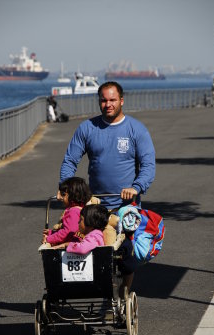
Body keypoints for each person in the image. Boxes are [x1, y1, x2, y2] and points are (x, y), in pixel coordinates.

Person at [59, 81, 156, 295]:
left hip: (125, 204)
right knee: (90, 247)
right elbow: (69, 161)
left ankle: (125, 289)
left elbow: (148, 165)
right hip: (96, 204)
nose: (108, 104)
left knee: (127, 254)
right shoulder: (87, 128)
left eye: (112, 100)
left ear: (121, 100)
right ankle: (98, 289)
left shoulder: (136, 129)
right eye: (103, 100)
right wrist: (66, 189)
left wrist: (136, 187)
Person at [42, 177, 91, 246]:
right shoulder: (84, 208)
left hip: (72, 246)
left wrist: (49, 239)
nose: (61, 197)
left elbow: (68, 232)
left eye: (63, 194)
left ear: (73, 195)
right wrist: (52, 233)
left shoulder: (73, 211)